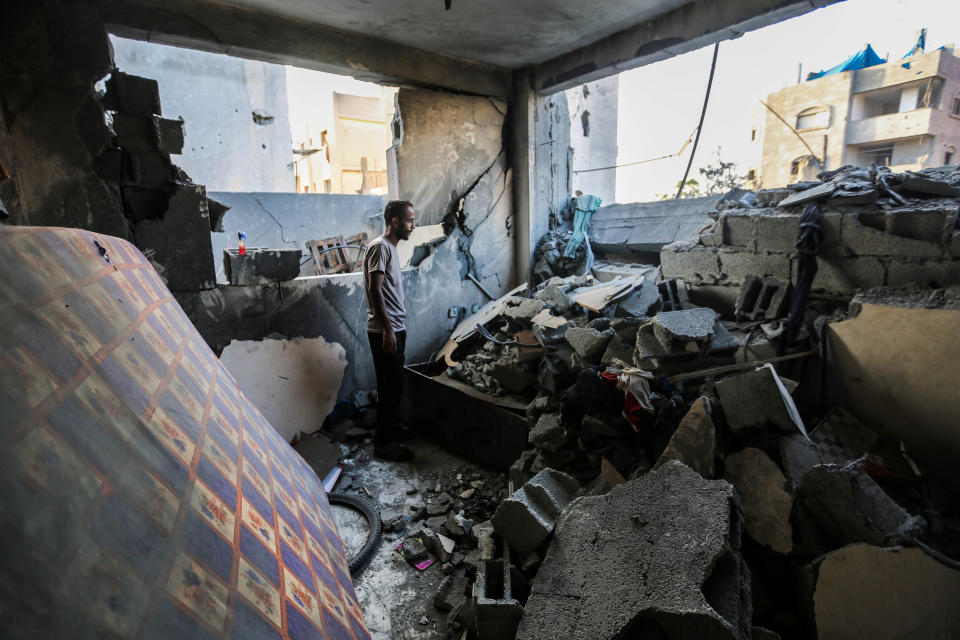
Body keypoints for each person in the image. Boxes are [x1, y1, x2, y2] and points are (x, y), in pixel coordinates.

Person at [363, 200, 416, 461]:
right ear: (395, 221)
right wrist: (388, 328)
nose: (413, 226)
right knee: (390, 387)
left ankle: (391, 430)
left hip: (394, 327)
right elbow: (375, 288)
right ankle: (382, 445)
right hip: (385, 329)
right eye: (409, 220)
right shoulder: (379, 247)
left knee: (395, 385)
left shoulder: (391, 249)